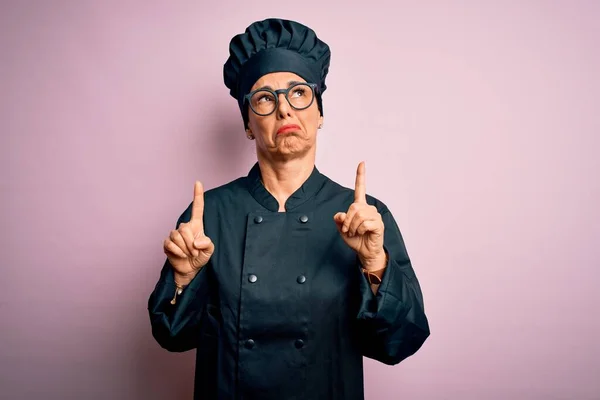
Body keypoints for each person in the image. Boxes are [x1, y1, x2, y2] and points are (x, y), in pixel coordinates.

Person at [148, 18, 430, 400]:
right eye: (265, 98)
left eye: (298, 93)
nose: (284, 110)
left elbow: (401, 342)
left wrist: (375, 264)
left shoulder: (363, 217)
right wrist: (182, 280)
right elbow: (172, 338)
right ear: (248, 123)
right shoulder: (209, 214)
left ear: (320, 112)